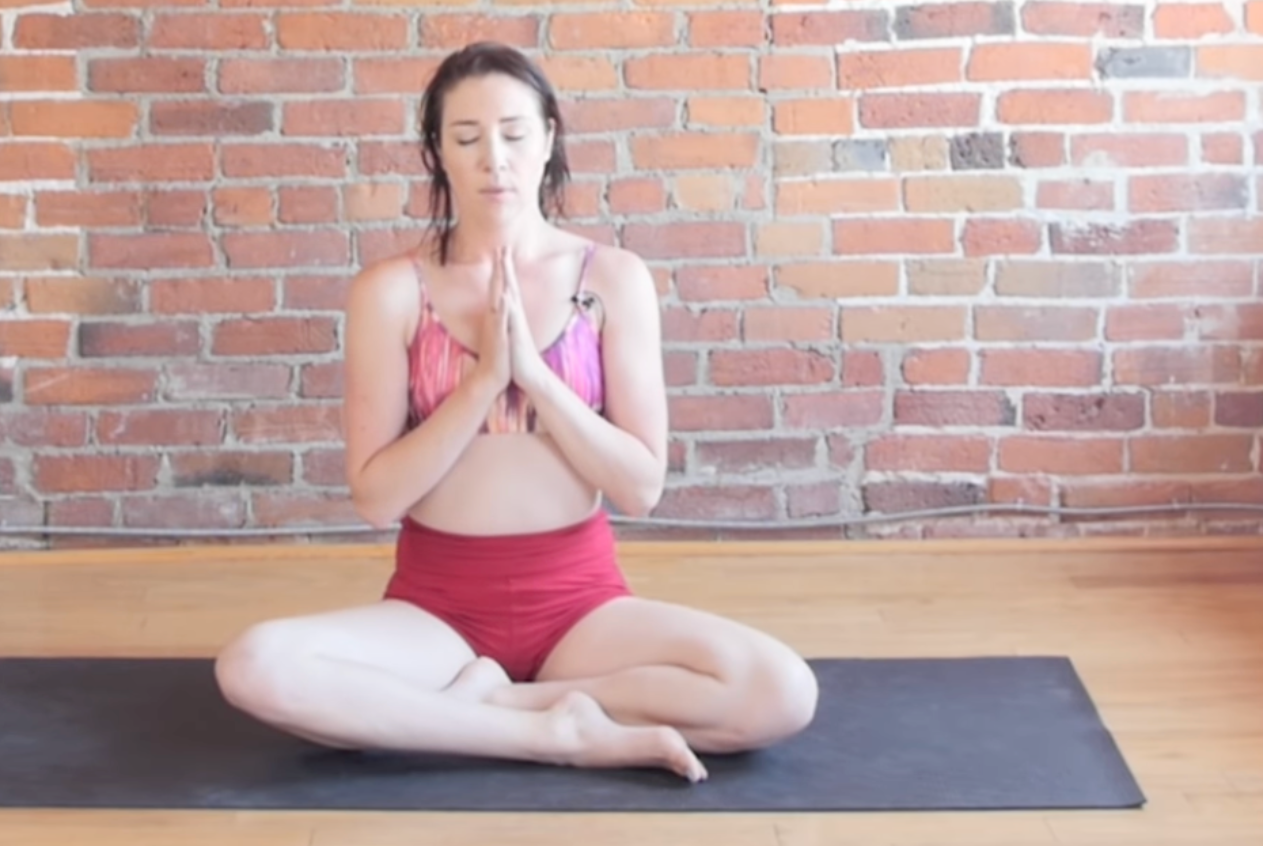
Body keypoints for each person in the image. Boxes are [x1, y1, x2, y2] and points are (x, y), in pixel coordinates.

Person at [215, 41, 817, 782]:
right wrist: (480, 384)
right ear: (437, 152)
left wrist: (533, 376)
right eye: (466, 138)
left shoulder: (613, 281)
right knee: (255, 666)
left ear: (549, 139)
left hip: (582, 604)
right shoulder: (392, 292)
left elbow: (640, 486)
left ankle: (493, 708)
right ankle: (553, 734)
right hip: (437, 612)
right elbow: (376, 498)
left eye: (513, 133)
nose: (492, 158)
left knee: (781, 692)